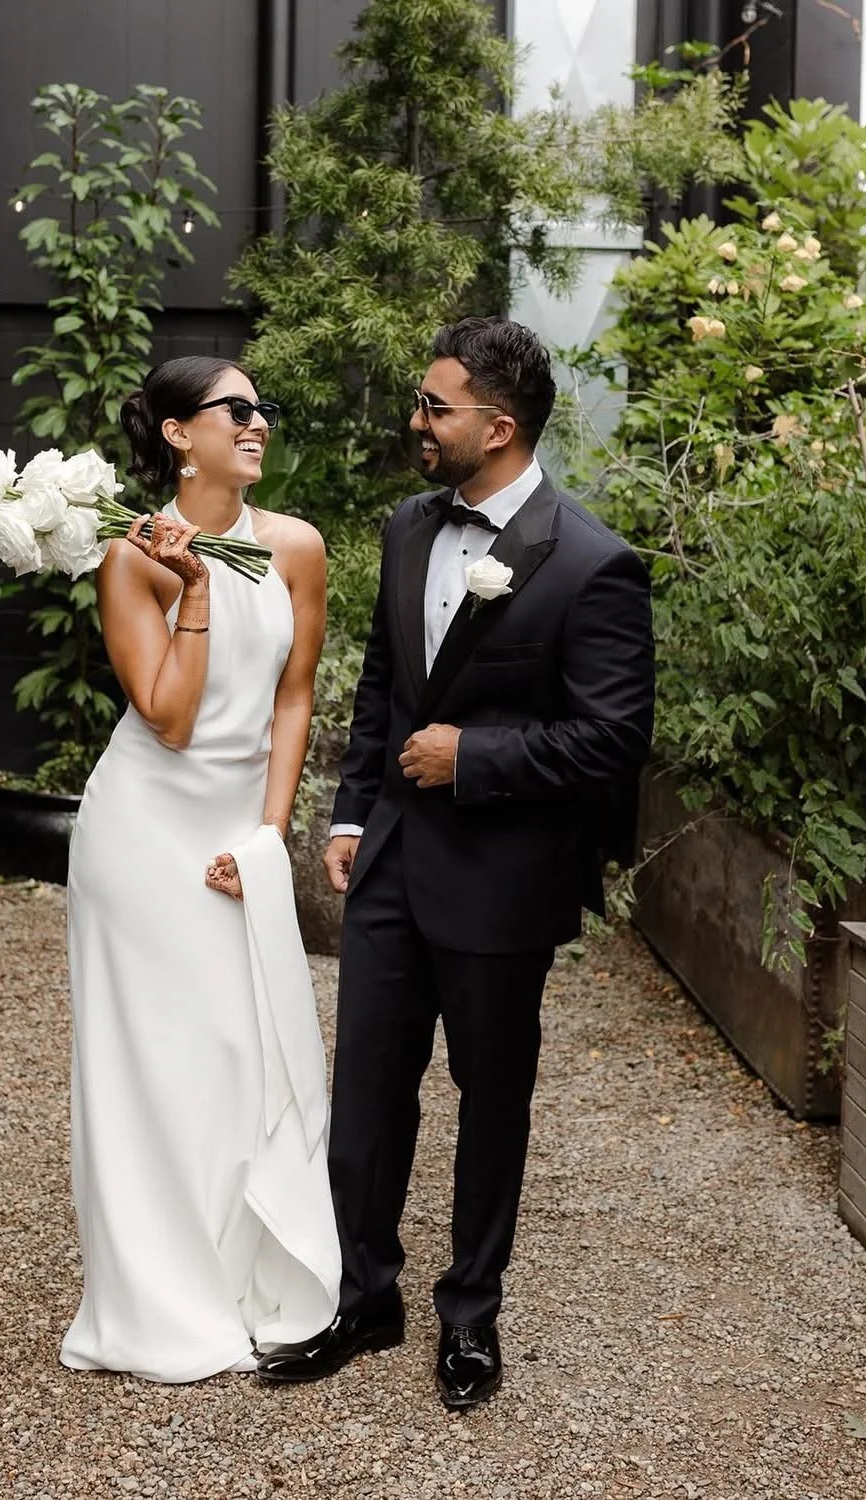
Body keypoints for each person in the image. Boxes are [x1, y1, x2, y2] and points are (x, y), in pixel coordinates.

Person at [256, 317, 656, 1408]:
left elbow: (613, 738)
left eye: (435, 406)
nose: (416, 422)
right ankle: (361, 1295)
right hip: (388, 864)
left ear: (499, 424)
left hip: (501, 882)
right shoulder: (402, 528)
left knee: (491, 1101)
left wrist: (474, 756)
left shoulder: (592, 564)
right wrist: (347, 816)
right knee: (367, 1091)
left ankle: (469, 1316)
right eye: (422, 404)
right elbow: (386, 684)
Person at [60, 356, 340, 1383]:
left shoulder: (297, 547)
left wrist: (267, 838)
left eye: (262, 407)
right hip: (142, 835)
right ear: (180, 434)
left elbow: (293, 696)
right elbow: (169, 720)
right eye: (235, 410)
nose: (256, 422)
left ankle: (236, 1270)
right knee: (151, 1062)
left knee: (238, 1048)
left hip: (236, 833)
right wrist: (192, 589)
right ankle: (155, 1296)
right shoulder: (129, 556)